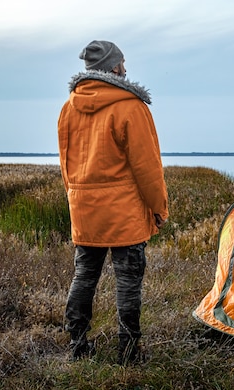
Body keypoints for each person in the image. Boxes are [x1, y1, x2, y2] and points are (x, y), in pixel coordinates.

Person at [57, 40, 169, 364]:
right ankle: (129, 352)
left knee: (84, 276)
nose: (125, 67)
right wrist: (158, 207)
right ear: (115, 67)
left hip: (84, 209)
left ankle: (77, 346)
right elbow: (148, 168)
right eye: (122, 62)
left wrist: (76, 198)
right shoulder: (132, 106)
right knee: (128, 281)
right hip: (125, 214)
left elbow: (67, 167)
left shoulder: (68, 108)